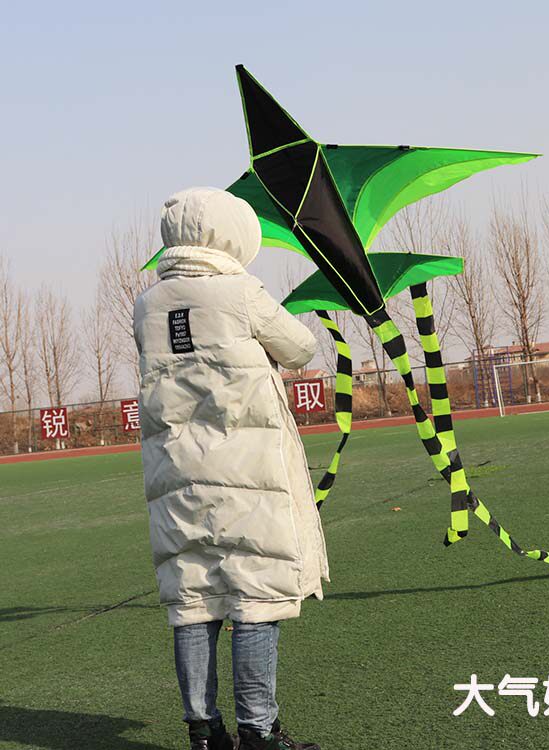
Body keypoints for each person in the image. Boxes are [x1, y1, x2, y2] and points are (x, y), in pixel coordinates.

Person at [133, 187, 329, 750]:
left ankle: (204, 733)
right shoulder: (242, 292)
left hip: (174, 477)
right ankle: (258, 732)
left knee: (192, 600)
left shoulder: (147, 306)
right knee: (254, 597)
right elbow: (300, 348)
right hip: (249, 476)